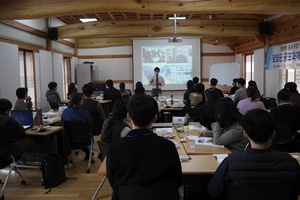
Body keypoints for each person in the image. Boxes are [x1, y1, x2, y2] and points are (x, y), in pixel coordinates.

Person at [207, 109, 300, 199]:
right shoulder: (290, 162)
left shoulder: (231, 162)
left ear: (245, 134)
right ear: (273, 134)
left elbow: (214, 191)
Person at [106, 94, 182, 200]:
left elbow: (113, 183)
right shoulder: (168, 146)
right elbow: (177, 180)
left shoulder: (114, 148)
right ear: (155, 118)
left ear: (128, 116)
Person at [61, 92, 93, 160]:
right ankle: (87, 152)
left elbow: (62, 124)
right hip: (84, 140)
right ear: (81, 101)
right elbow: (90, 126)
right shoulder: (85, 113)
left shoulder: (65, 112)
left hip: (68, 141)